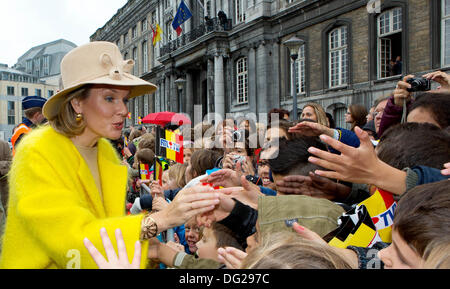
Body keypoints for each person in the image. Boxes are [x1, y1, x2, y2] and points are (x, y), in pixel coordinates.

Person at [0, 41, 220, 269]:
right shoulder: (37, 151)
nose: (124, 110)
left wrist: (160, 251)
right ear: (77, 102)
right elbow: (74, 242)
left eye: (124, 99)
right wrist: (163, 219)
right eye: (109, 98)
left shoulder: (104, 150)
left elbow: (106, 232)